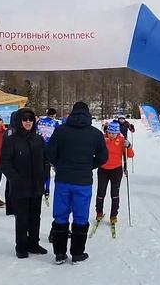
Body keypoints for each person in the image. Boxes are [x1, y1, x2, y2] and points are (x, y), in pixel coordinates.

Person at [48, 101, 108, 264]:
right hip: (83, 182)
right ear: (87, 114)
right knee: (80, 217)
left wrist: (59, 165)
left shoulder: (60, 131)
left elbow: (50, 154)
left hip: (63, 180)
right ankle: (77, 253)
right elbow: (103, 158)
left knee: (60, 215)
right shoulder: (95, 134)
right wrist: (89, 165)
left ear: (72, 113)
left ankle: (59, 253)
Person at [0, 108, 49, 259]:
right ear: (19, 121)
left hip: (37, 185)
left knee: (35, 217)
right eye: (25, 119)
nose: (28, 122)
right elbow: (4, 163)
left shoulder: (38, 139)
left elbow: (45, 161)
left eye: (30, 119)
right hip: (20, 186)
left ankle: (33, 243)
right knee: (22, 218)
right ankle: (21, 246)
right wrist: (15, 178)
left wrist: (44, 179)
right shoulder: (11, 140)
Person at [95, 121, 134, 225]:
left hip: (116, 170)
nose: (111, 135)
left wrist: (129, 146)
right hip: (103, 169)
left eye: (114, 133)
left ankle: (113, 215)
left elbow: (130, 155)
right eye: (110, 132)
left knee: (114, 193)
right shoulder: (102, 139)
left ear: (117, 133)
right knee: (101, 192)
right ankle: (99, 213)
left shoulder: (122, 140)